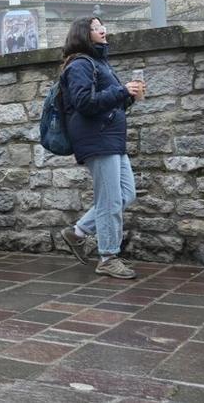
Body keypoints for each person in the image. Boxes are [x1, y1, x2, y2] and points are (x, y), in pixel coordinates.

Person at [54, 16, 144, 280]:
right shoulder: (80, 65)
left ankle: (78, 232)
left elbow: (109, 103)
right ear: (83, 34)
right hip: (97, 139)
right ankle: (107, 257)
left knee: (126, 194)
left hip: (111, 138)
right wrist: (121, 91)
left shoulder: (100, 63)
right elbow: (84, 102)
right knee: (110, 200)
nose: (102, 29)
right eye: (94, 27)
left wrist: (128, 96)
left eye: (102, 25)